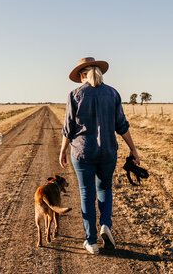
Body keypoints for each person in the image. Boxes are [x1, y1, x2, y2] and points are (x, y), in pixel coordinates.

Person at [59, 57, 140, 255]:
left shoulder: (74, 94)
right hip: (107, 151)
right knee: (105, 188)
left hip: (82, 152)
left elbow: (69, 128)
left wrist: (62, 150)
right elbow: (121, 125)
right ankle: (105, 225)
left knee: (87, 193)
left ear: (81, 75)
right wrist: (133, 149)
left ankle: (91, 241)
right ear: (99, 72)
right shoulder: (113, 93)